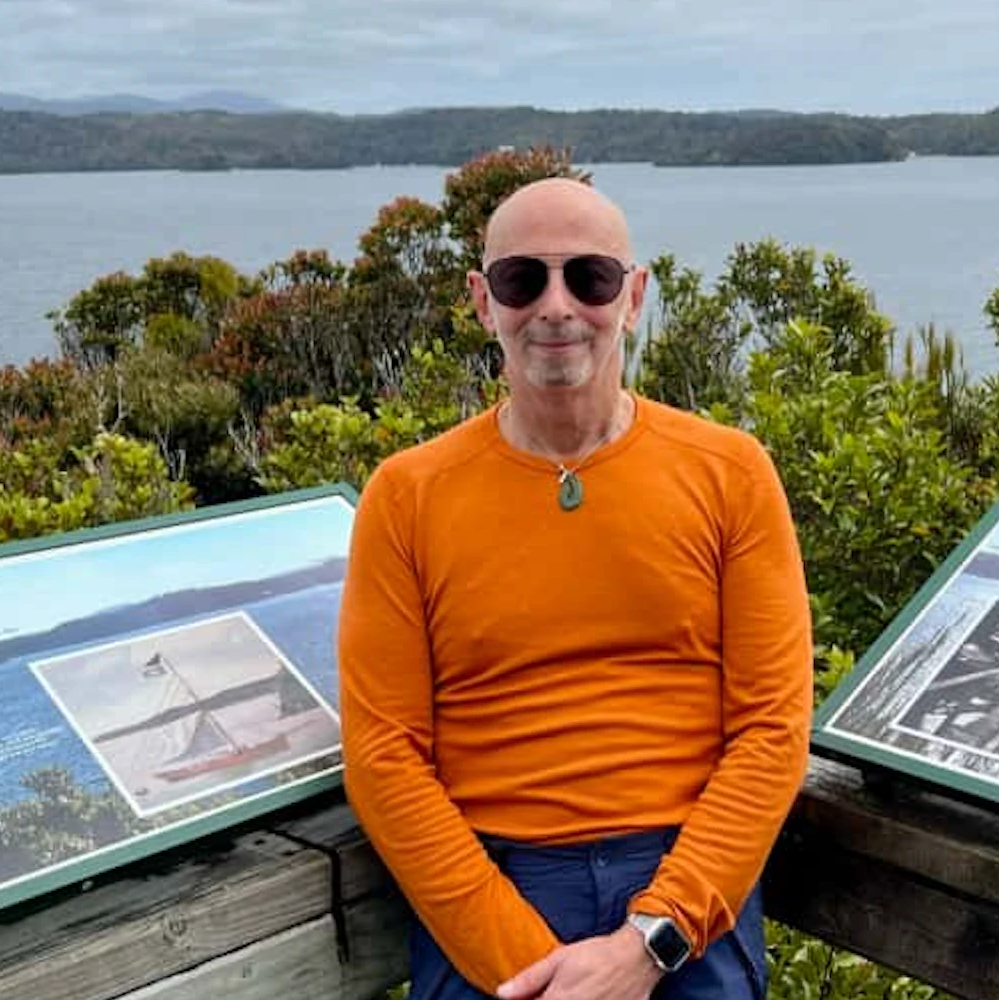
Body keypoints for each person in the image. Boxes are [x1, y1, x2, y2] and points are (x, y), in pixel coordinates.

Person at [336, 177, 814, 1000]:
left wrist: (650, 941)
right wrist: (528, 966)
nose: (556, 306)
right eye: (524, 280)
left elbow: (772, 731)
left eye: (588, 277)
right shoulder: (408, 495)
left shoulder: (731, 474)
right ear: (483, 303)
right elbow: (384, 757)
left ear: (633, 297)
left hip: (685, 888)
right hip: (490, 880)